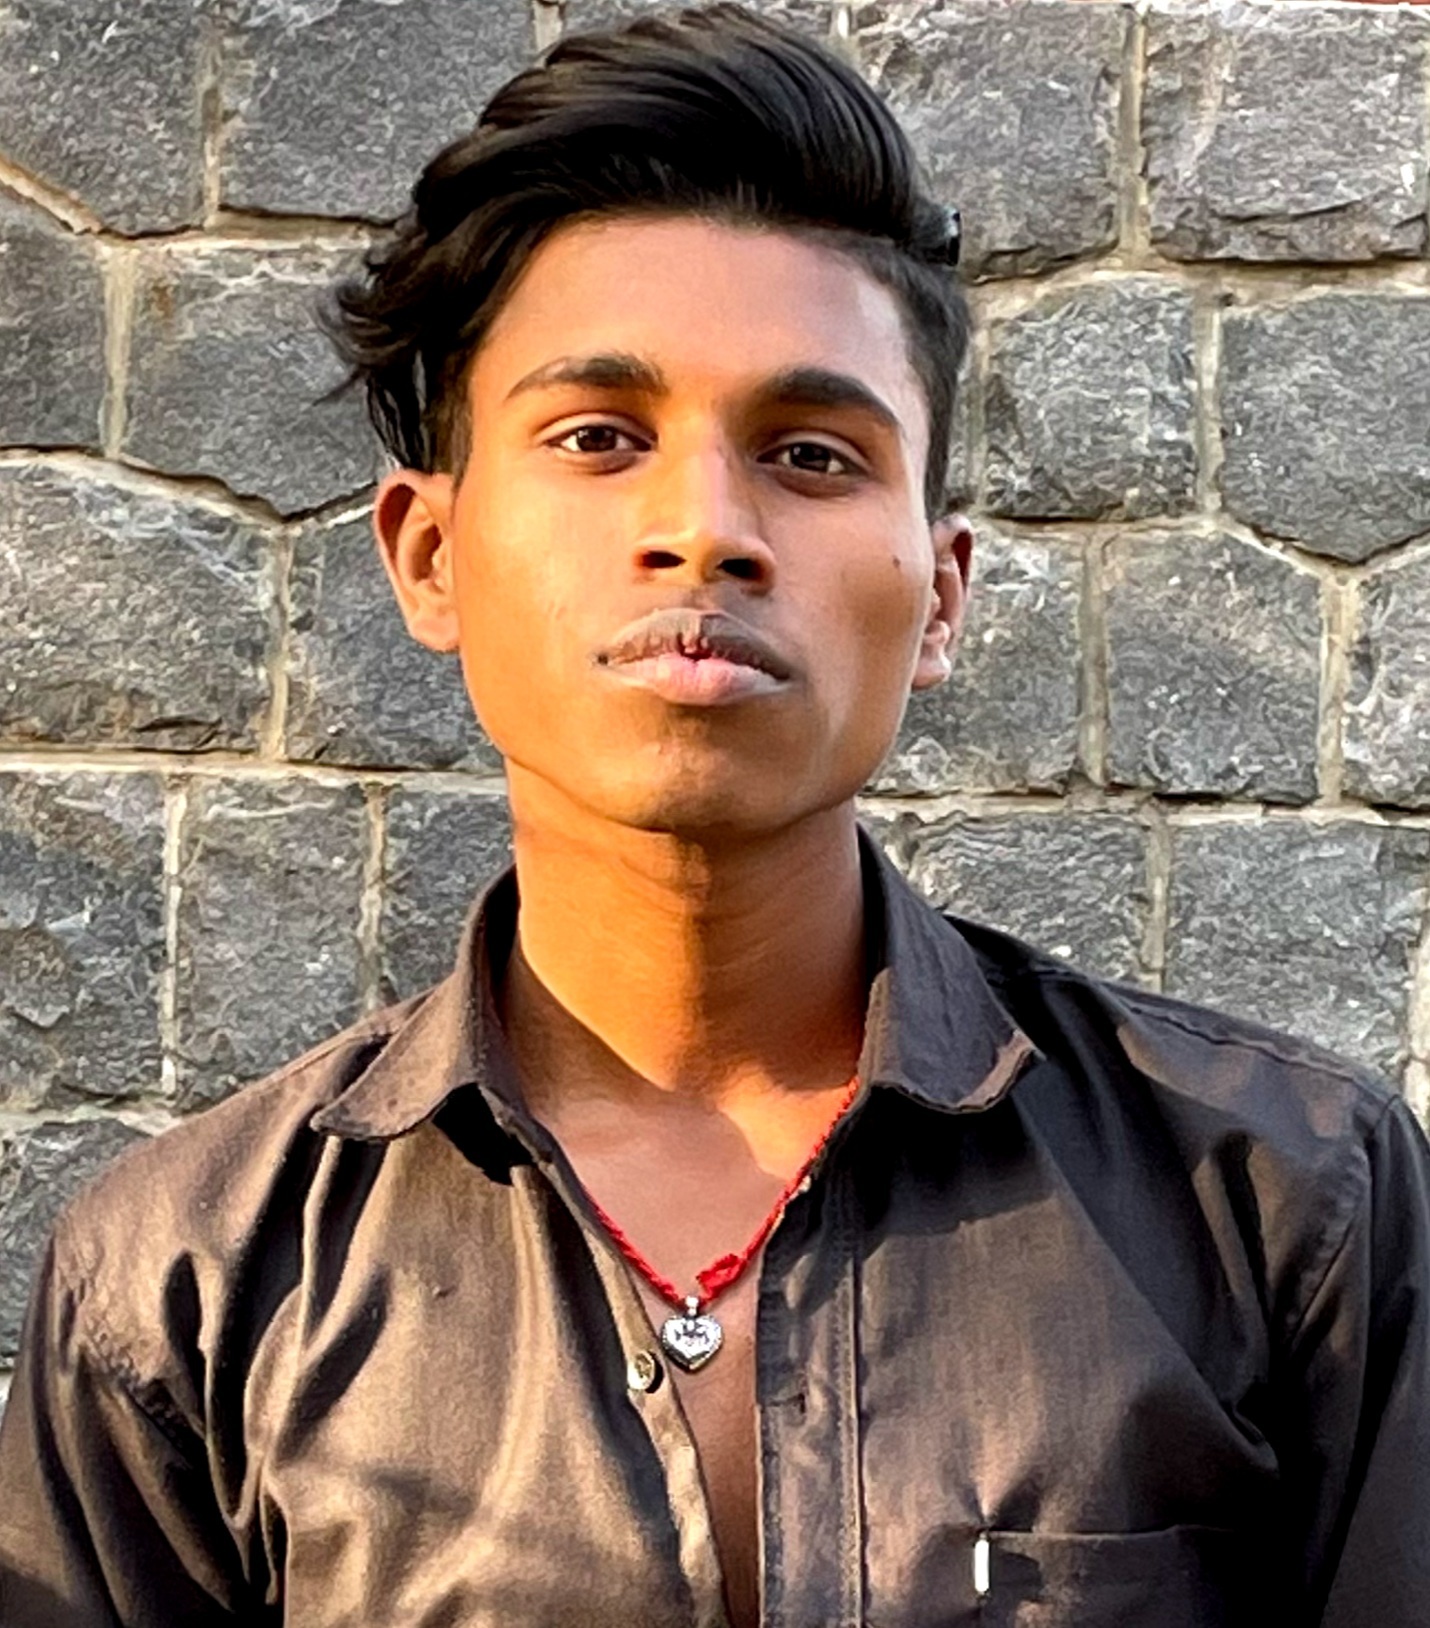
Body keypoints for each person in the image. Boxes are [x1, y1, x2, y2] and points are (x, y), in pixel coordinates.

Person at [1, 6, 1427, 1624]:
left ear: (940, 593)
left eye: (810, 455)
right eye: (598, 438)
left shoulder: (1280, 1198)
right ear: (429, 554)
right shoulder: (185, 1289)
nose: (703, 528)